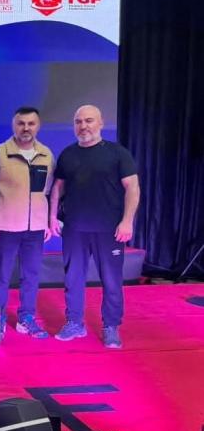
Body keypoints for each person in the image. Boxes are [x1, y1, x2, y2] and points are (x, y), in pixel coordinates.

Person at [50, 105, 140, 348]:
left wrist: (127, 221)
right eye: (78, 121)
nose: (83, 126)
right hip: (75, 229)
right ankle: (74, 322)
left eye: (89, 120)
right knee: (73, 279)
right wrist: (52, 217)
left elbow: (132, 187)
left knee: (112, 281)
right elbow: (57, 187)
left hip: (109, 230)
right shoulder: (68, 154)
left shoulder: (118, 153)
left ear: (101, 123)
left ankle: (111, 326)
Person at [0, 107, 55, 339]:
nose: (26, 128)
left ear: (38, 126)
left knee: (31, 276)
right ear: (14, 126)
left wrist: (47, 221)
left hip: (35, 229)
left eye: (31, 124)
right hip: (5, 227)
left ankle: (27, 318)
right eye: (21, 123)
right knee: (1, 276)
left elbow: (47, 192)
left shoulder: (46, 154)